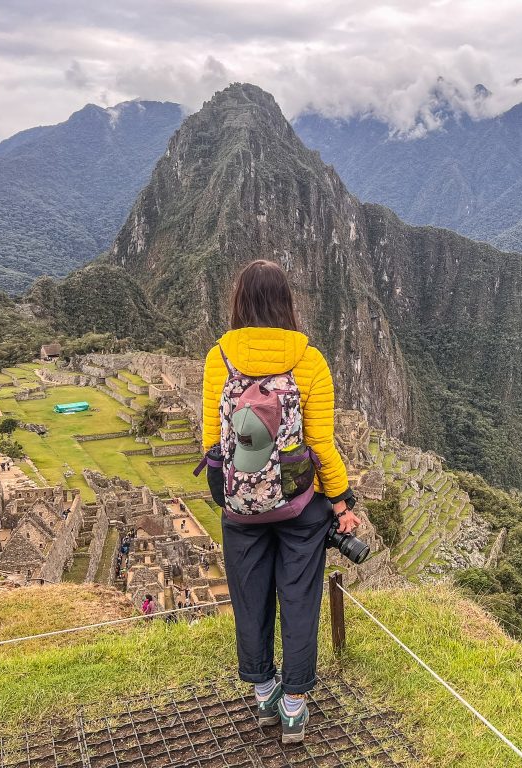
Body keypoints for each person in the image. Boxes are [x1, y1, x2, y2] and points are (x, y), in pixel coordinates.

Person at [201, 260, 359, 745]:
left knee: (249, 598)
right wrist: (341, 502)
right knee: (299, 597)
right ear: (286, 303)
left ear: (240, 301)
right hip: (300, 503)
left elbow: (212, 441)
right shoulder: (309, 361)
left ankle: (263, 692)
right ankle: (294, 706)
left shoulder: (219, 358)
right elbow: (322, 445)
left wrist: (229, 496)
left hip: (239, 504)